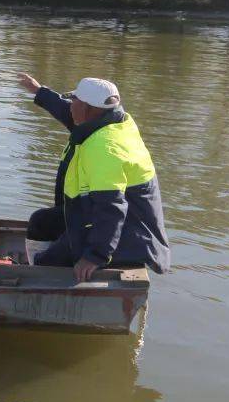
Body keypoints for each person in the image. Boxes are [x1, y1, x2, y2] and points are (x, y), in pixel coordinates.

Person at [16, 73, 171, 281]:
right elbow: (69, 113)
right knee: (41, 222)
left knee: (48, 263)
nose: (70, 105)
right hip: (103, 220)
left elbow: (112, 208)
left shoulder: (105, 148)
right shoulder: (111, 122)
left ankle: (39, 277)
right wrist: (40, 92)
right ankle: (38, 266)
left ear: (89, 109)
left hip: (129, 238)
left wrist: (94, 256)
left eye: (74, 100)